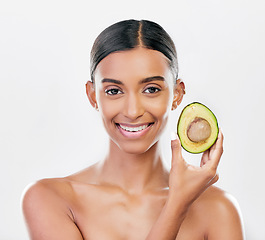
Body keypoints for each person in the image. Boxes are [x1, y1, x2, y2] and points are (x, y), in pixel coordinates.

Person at [22, 19, 245, 239]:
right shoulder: (49, 199)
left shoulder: (219, 210)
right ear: (92, 96)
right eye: (113, 91)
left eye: (150, 89)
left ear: (177, 94)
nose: (132, 111)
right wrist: (177, 206)